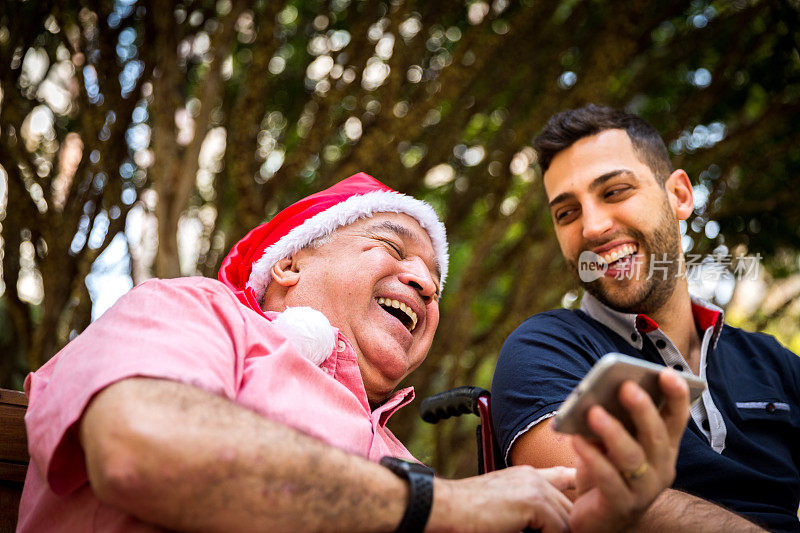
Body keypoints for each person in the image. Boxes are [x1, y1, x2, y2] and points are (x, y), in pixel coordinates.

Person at [20, 172, 688, 532]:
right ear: (288, 267)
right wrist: (445, 504)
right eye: (393, 248)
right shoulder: (196, 311)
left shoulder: (398, 457)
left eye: (435, 281)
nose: (426, 283)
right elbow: (142, 442)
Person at [491, 105, 800, 532]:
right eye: (567, 213)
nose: (593, 227)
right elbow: (581, 495)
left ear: (680, 196)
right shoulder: (543, 348)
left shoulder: (773, 361)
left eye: (615, 191)